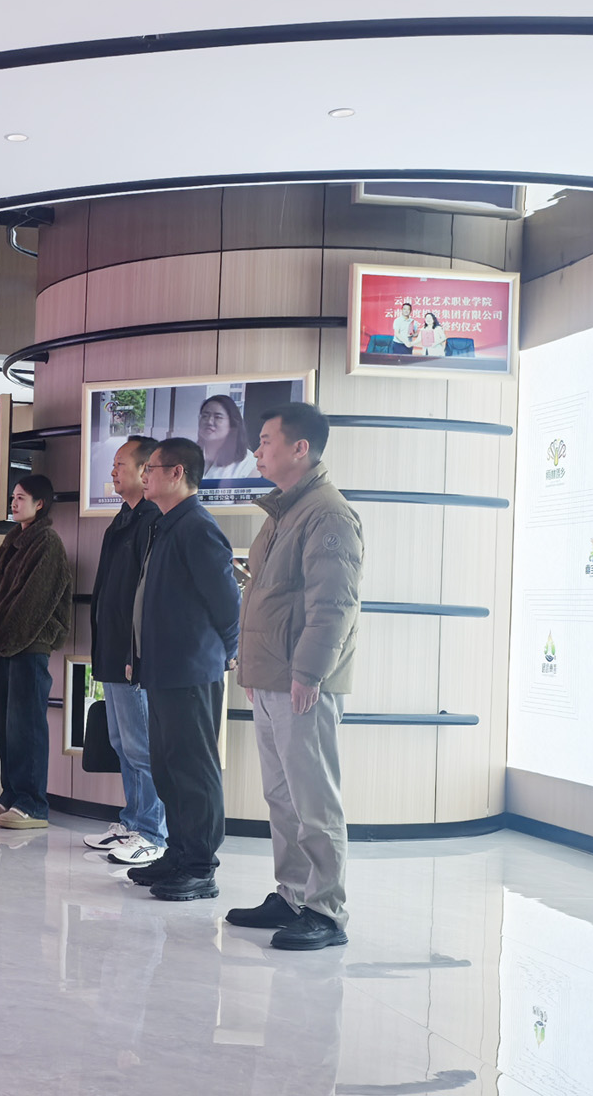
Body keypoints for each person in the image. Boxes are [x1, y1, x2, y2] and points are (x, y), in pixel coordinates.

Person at [226, 402, 363, 951]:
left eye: (265, 440)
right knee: (282, 798)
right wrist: (253, 666)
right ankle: (292, 895)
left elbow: (334, 605)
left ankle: (326, 911)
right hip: (270, 677)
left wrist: (309, 672)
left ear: (299, 448)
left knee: (314, 801)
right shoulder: (283, 513)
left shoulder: (328, 514)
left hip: (303, 681)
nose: (256, 450)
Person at [124, 437, 239, 901]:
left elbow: (227, 600)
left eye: (151, 468)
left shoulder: (197, 526)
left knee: (194, 770)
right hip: (162, 669)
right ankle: (179, 852)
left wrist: (229, 651)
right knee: (168, 767)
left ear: (177, 473)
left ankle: (200, 867)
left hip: (190, 670)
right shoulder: (166, 524)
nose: (144, 475)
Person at [0, 473, 74, 831]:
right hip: (5, 645)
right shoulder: (13, 540)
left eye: (21, 497)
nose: (13, 503)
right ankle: (11, 794)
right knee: (5, 726)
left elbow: (33, 602)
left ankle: (33, 804)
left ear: (40, 504)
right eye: (13, 496)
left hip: (30, 646)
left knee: (26, 725)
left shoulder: (48, 543)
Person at [83, 435, 168, 866]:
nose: (113, 471)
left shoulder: (152, 520)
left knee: (141, 746)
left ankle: (152, 832)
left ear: (145, 470)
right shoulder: (123, 519)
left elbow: (150, 596)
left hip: (134, 657)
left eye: (121, 464)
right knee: (121, 743)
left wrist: (137, 653)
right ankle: (132, 821)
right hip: (112, 652)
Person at [196, 394, 257, 481]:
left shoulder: (247, 462)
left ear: (232, 423)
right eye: (205, 416)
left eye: (218, 417)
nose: (209, 421)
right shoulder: (188, 455)